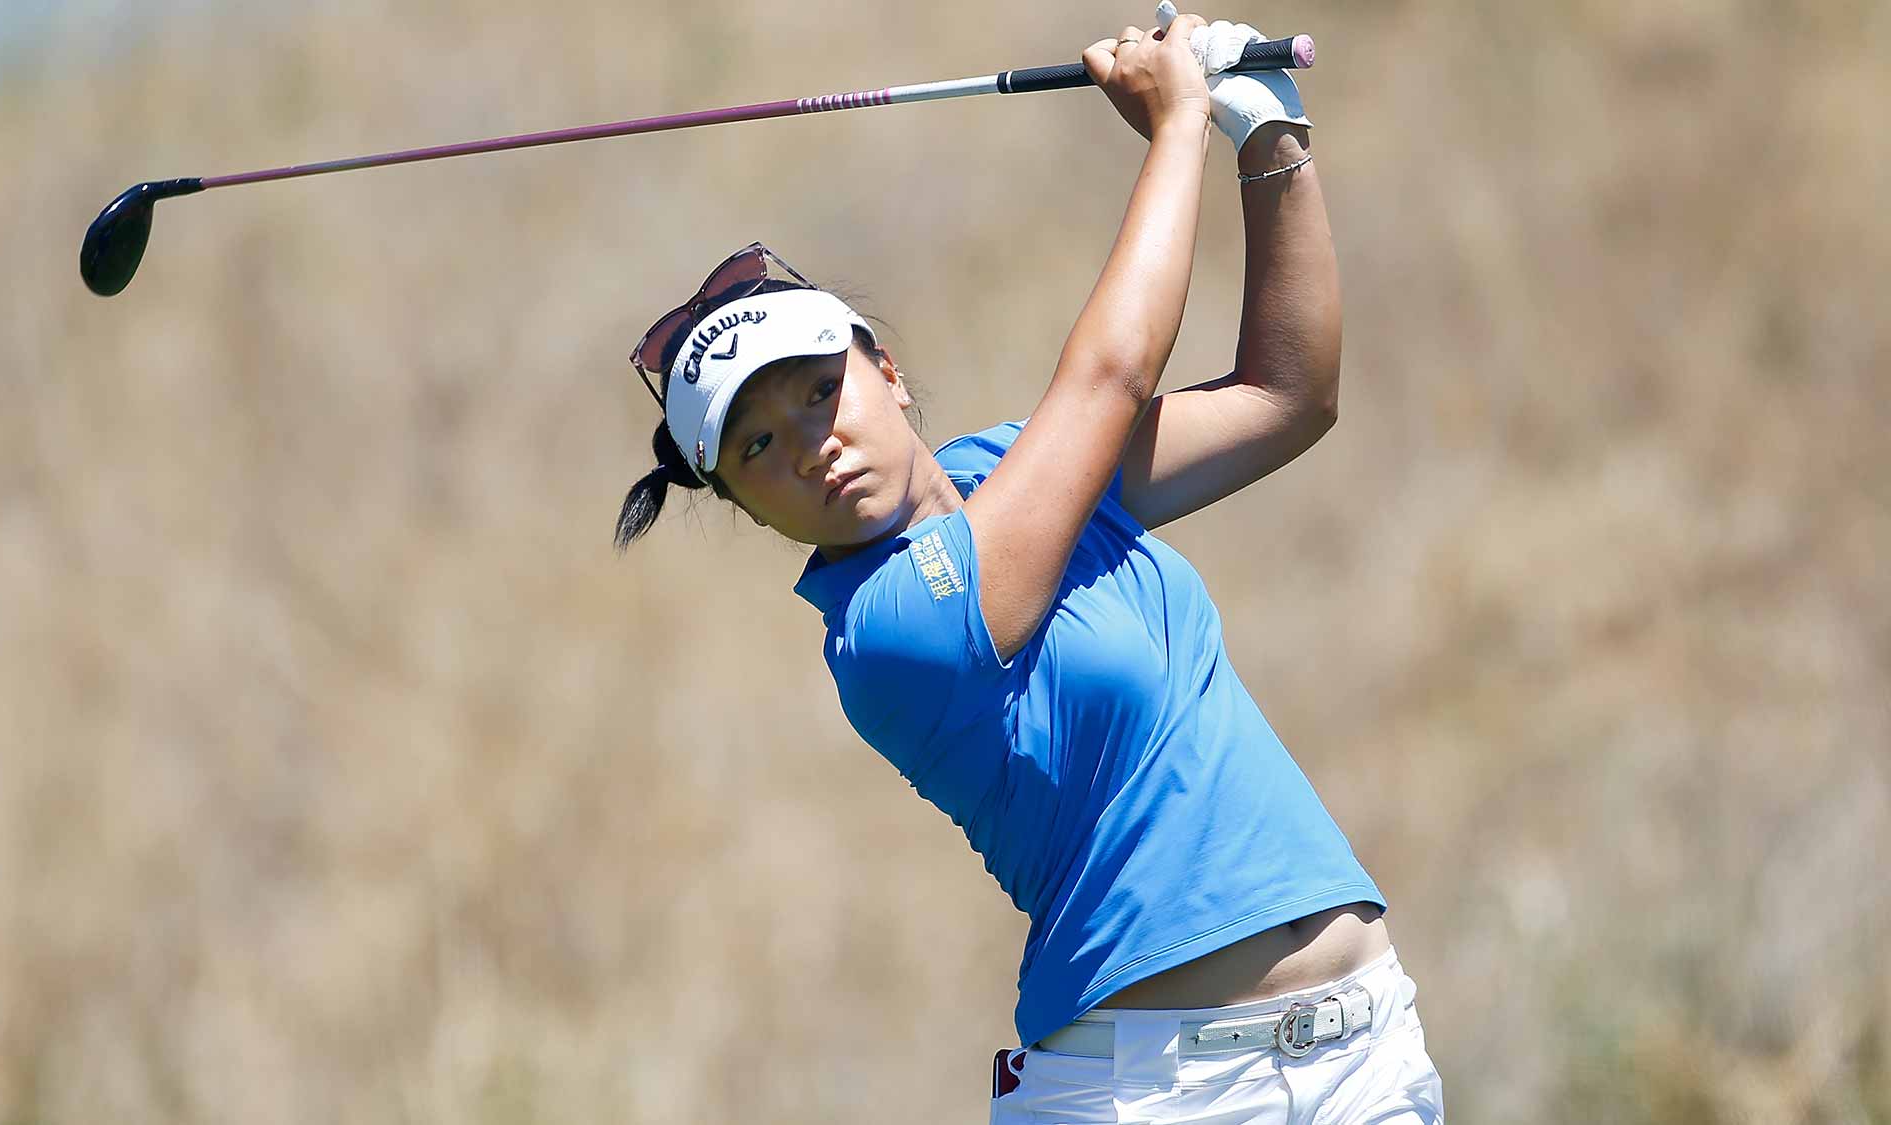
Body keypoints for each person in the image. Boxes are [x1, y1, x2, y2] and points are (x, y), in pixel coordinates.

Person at [613, 9, 1444, 1122]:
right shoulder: (890, 629)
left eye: (819, 389)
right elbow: (1105, 378)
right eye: (757, 445)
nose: (810, 443)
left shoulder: (1009, 473)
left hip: (1365, 1058)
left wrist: (1269, 141)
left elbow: (1283, 397)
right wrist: (1174, 128)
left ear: (888, 371)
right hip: (1158, 1094)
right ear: (742, 507)